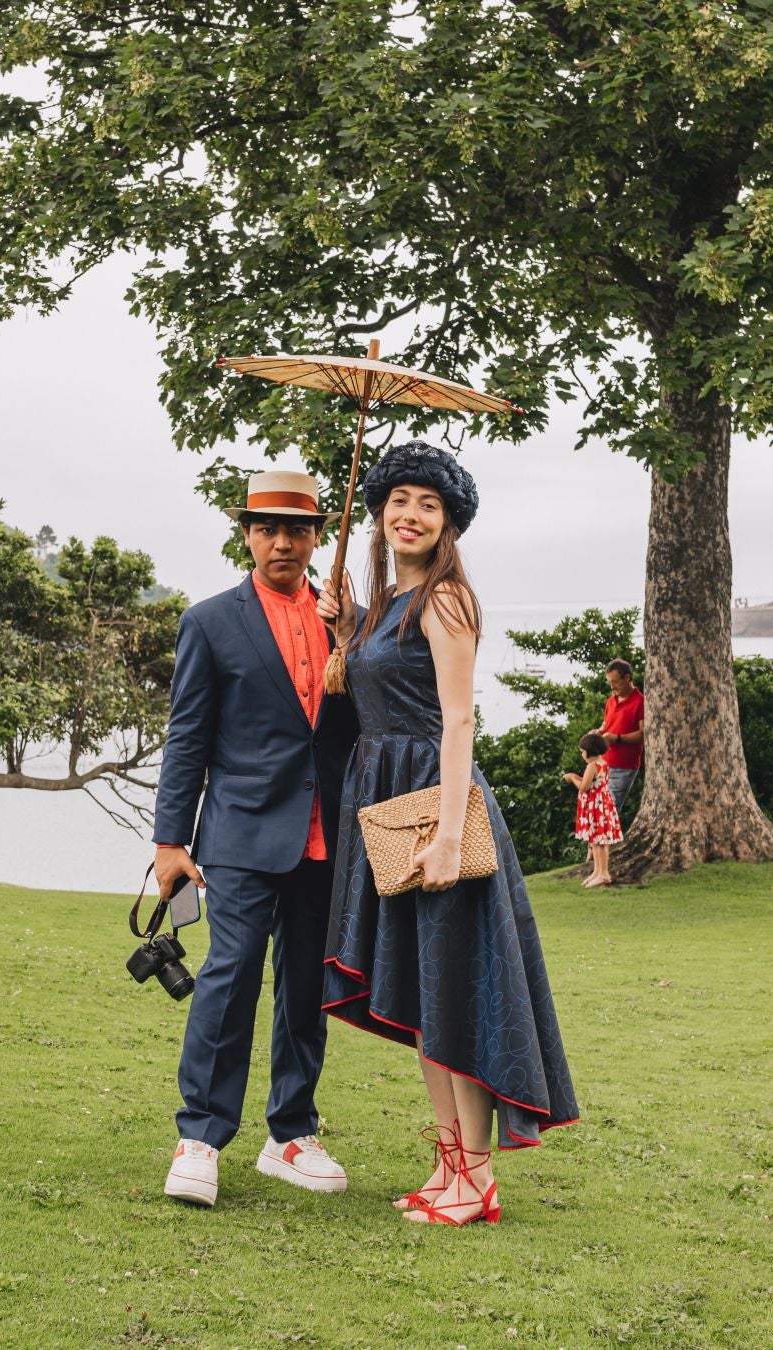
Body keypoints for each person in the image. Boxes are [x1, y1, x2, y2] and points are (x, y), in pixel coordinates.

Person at [317, 441, 578, 1229]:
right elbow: (380, 683)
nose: (411, 514)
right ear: (378, 514)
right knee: (425, 992)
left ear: (449, 523)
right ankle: (450, 1166)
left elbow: (458, 718)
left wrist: (447, 834)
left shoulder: (447, 600)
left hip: (436, 802)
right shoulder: (387, 607)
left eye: (429, 505)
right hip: (384, 803)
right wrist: (347, 626)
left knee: (455, 990)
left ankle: (475, 1178)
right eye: (399, 500)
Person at [152, 470, 360, 1207]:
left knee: (307, 984)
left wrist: (350, 641)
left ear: (316, 538)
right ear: (246, 534)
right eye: (267, 528)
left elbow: (368, 725)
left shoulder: (350, 621)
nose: (282, 542)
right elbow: (186, 739)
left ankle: (292, 1133)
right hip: (238, 832)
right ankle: (201, 1137)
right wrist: (170, 842)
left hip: (326, 837)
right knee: (230, 974)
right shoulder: (210, 621)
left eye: (297, 529)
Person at [563, 733, 622, 886]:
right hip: (601, 804)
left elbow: (584, 787)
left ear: (589, 750)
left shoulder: (592, 766)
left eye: (582, 751)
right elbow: (593, 782)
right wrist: (577, 776)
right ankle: (597, 871)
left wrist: (572, 779)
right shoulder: (603, 763)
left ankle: (604, 873)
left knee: (600, 841)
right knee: (595, 840)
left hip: (596, 806)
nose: (582, 754)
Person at [592, 659, 644, 816]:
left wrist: (617, 738)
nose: (612, 687)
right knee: (597, 808)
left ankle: (605, 841)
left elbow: (644, 734)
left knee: (608, 810)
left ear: (627, 678)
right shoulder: (611, 701)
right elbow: (606, 724)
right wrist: (598, 732)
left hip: (624, 765)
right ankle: (600, 841)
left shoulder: (641, 701)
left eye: (615, 682)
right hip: (604, 762)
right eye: (610, 683)